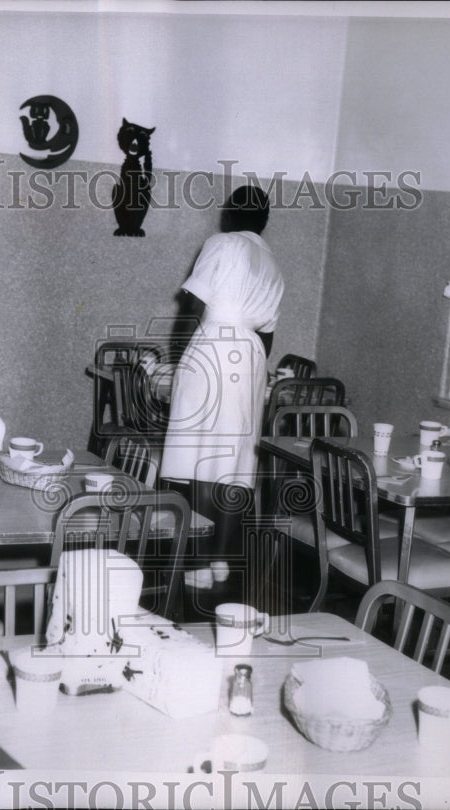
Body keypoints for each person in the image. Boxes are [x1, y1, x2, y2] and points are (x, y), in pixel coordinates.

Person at [160, 185, 285, 590]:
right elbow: (266, 338)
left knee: (196, 454)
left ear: (229, 215)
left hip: (211, 347)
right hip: (250, 358)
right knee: (234, 461)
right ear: (264, 221)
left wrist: (180, 359)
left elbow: (193, 306)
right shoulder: (273, 265)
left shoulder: (222, 242)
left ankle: (195, 562)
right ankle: (220, 561)